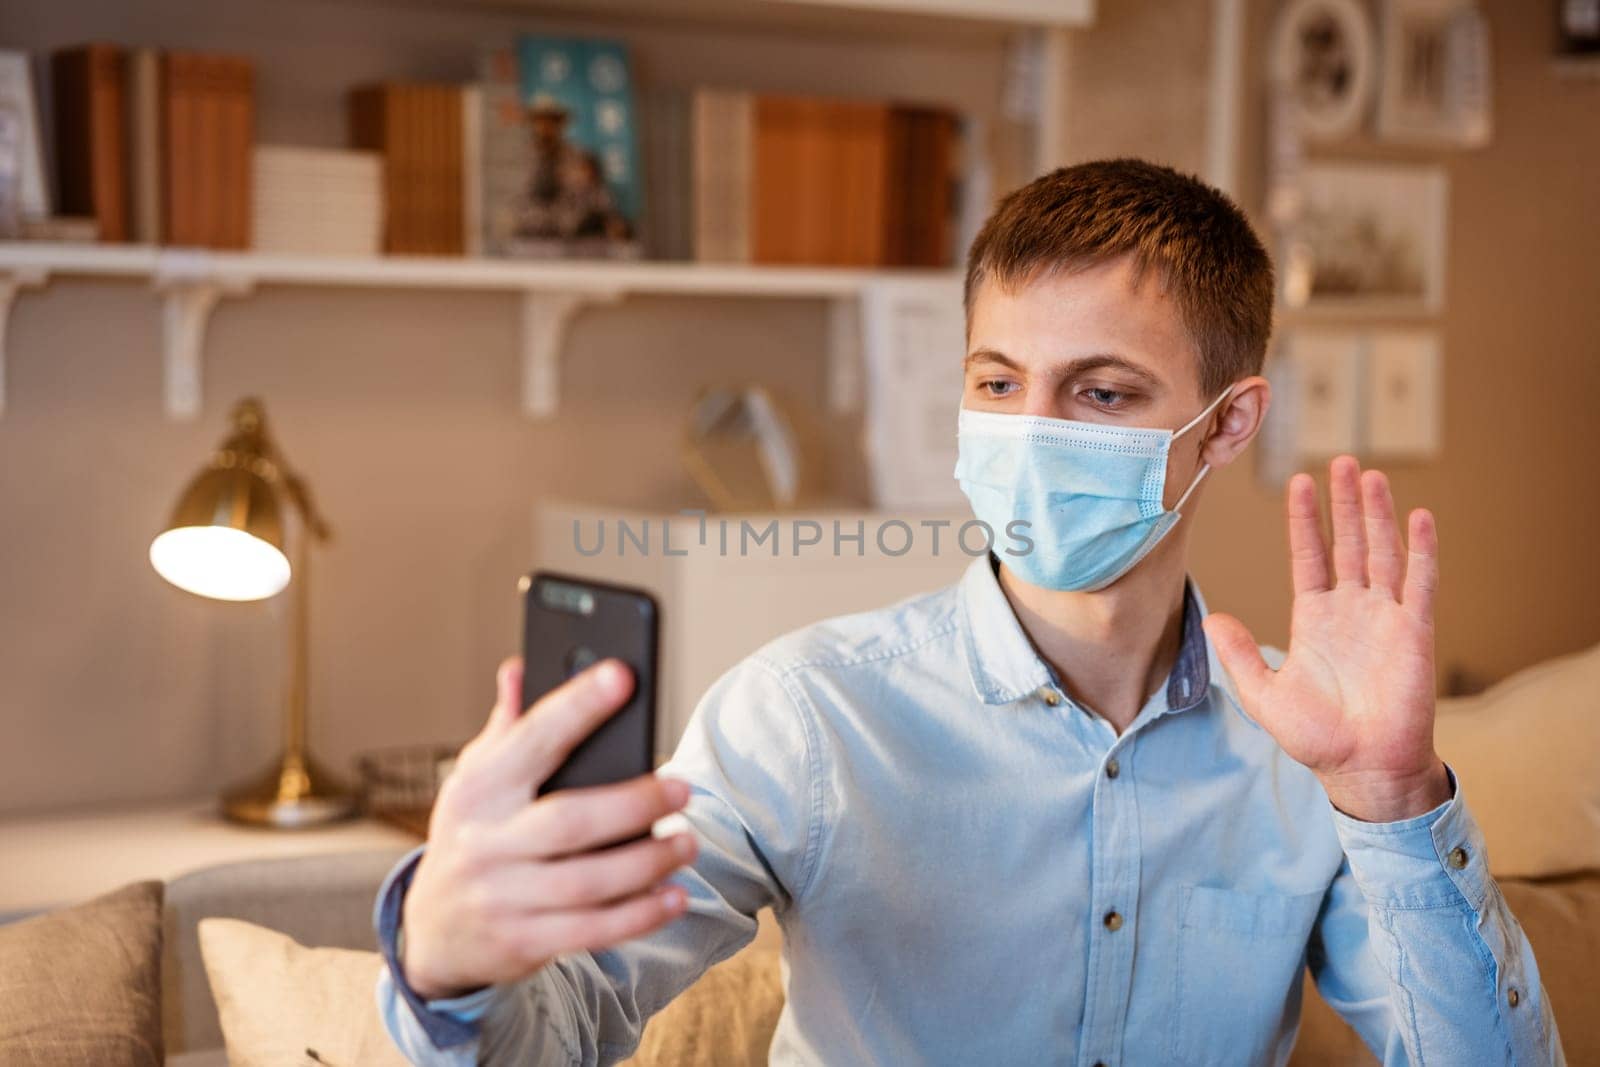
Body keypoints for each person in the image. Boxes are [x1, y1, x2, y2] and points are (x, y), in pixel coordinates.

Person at [373, 159, 1565, 1065]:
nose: (1030, 431)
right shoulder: (808, 712)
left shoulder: (1302, 748)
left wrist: (1393, 799)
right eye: (998, 383)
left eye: (1098, 391)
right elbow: (565, 1023)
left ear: (1228, 422)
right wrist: (448, 964)